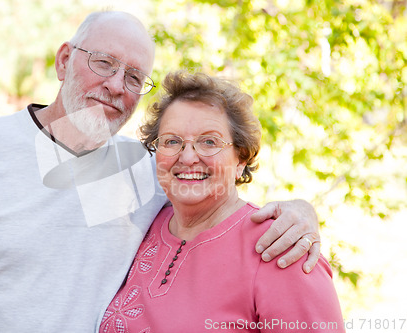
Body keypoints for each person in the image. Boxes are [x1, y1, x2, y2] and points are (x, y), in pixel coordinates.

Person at [0, 11, 320, 332]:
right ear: (65, 60)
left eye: (135, 77)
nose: (117, 85)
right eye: (104, 63)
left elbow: (220, 197)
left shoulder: (150, 169)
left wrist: (301, 210)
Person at [100, 71, 344, 332]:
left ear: (241, 159)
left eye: (209, 142)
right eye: (172, 141)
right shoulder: (144, 220)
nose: (188, 157)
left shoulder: (281, 246)